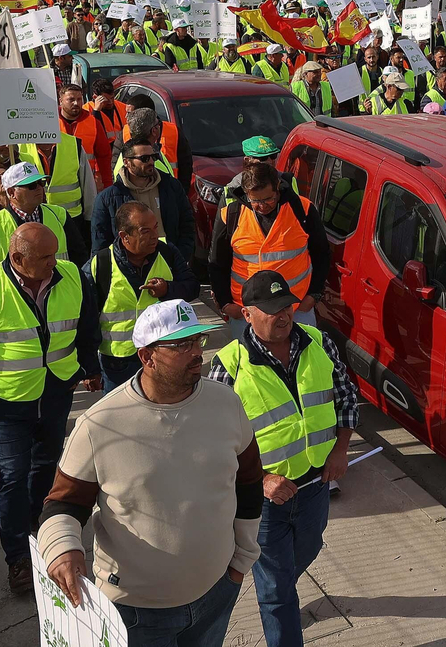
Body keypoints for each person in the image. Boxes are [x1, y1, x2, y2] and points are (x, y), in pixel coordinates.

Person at [37, 299, 258, 642]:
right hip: (135, 614)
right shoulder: (100, 425)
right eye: (180, 345)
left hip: (217, 594)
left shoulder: (226, 403)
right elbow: (64, 504)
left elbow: (248, 483)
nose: (196, 352)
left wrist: (242, 560)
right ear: (146, 356)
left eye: (197, 340)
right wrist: (63, 548)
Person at [0, 222, 102, 592]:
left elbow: (87, 327)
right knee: (12, 479)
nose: (54, 263)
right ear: (17, 258)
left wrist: (90, 369)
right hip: (6, 403)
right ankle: (17, 559)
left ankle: (36, 529)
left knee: (47, 468)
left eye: (56, 254)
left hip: (56, 393)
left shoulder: (72, 277)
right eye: (45, 258)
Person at [206, 271, 360, 647]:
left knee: (300, 558)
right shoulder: (228, 366)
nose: (284, 315)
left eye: (287, 306)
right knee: (276, 590)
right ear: (247, 314)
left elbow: (346, 399)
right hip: (265, 504)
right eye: (272, 309)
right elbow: (210, 443)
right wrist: (261, 482)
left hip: (315, 489)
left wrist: (340, 449)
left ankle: (278, 595)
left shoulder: (319, 342)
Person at [83, 202, 200, 392]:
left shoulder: (167, 253)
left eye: (155, 227)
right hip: (118, 364)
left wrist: (168, 290)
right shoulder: (101, 264)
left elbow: (192, 287)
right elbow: (85, 320)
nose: (154, 235)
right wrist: (89, 368)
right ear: (124, 236)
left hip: (163, 356)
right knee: (121, 417)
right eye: (145, 231)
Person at [209, 162, 330, 322]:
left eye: (268, 199)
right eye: (255, 201)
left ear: (278, 187)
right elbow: (217, 262)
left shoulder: (303, 209)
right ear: (246, 194)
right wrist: (225, 304)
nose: (262, 206)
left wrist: (313, 296)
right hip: (247, 312)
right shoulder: (231, 214)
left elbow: (322, 254)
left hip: (296, 308)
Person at [0, 162, 90, 277]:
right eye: (31, 185)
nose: (38, 188)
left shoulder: (60, 215)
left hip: (59, 292)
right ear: (11, 192)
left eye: (40, 182)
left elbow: (80, 258)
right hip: (14, 296)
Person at [58, 84, 113, 189]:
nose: (76, 103)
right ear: (61, 101)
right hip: (59, 183)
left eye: (79, 99)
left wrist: (107, 185)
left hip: (87, 181)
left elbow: (104, 156)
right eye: (71, 99)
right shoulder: (51, 123)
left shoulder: (93, 123)